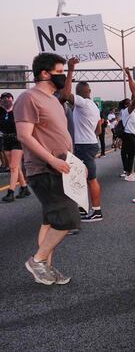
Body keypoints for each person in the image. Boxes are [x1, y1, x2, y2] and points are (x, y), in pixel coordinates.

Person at [14, 52, 79, 285]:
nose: (62, 76)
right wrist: (52, 160)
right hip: (44, 169)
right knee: (68, 217)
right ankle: (38, 261)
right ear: (44, 73)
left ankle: (46, 269)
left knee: (50, 221)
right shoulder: (28, 98)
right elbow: (24, 135)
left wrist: (71, 163)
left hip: (62, 166)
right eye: (60, 72)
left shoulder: (53, 99)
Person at [62, 59, 105, 222]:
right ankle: (81, 209)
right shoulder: (93, 105)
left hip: (85, 146)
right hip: (89, 143)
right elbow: (99, 128)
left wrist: (70, 69)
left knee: (90, 178)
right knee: (80, 178)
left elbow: (66, 95)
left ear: (79, 93)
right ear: (90, 91)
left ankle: (97, 211)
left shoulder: (83, 103)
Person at [0, 92, 30, 202]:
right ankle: (24, 187)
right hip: (6, 140)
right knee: (15, 166)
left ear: (12, 99)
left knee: (13, 167)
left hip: (17, 140)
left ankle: (10, 192)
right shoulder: (1, 112)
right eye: (3, 98)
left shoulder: (17, 111)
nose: (6, 100)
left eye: (8, 97)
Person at [118, 96, 135, 181]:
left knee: (132, 154)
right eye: (128, 103)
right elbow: (134, 103)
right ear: (126, 105)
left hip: (132, 136)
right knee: (131, 155)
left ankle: (131, 171)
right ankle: (129, 174)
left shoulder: (134, 114)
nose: (130, 103)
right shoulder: (126, 112)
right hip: (129, 135)